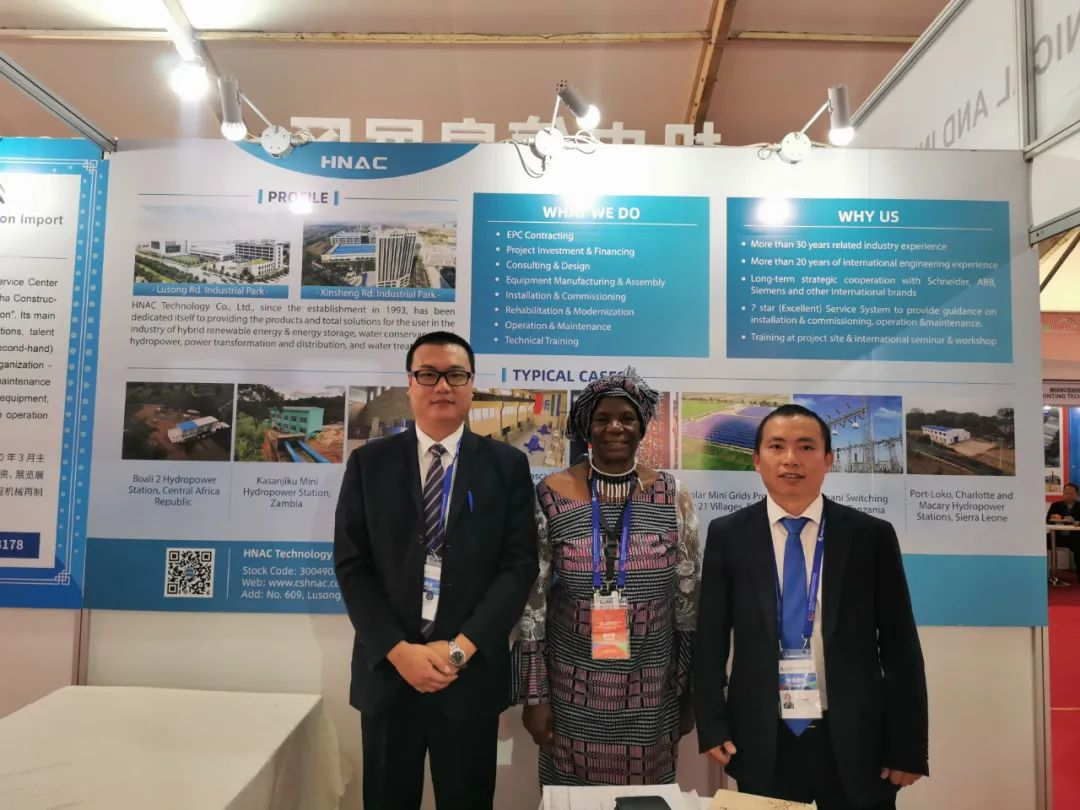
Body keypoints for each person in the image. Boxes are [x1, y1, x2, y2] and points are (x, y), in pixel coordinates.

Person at [334, 331, 538, 810]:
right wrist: (398, 651)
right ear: (410, 383)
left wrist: (459, 651)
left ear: (471, 384)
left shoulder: (507, 466)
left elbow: (518, 566)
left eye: (455, 375)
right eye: (428, 374)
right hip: (389, 676)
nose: (442, 385)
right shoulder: (369, 464)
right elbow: (352, 564)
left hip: (467, 679)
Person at [694, 404, 928, 810]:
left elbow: (900, 646)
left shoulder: (870, 536)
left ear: (828, 459)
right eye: (777, 447)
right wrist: (712, 724)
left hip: (858, 739)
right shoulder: (728, 535)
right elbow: (710, 639)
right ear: (757, 460)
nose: (791, 459)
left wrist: (908, 746)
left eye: (805, 447)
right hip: (763, 738)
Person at [514, 369, 701, 785]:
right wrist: (535, 695)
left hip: (652, 692)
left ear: (642, 427)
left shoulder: (673, 495)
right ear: (587, 427)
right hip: (571, 694)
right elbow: (533, 605)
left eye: (626, 418)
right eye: (603, 419)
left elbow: (688, 602)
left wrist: (689, 691)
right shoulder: (552, 494)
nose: (615, 427)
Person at [1047, 482, 1080, 576]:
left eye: (1071, 494)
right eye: (1066, 493)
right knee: (1040, 542)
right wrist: (1055, 519)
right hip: (1056, 535)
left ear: (1077, 494)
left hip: (1075, 536)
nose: (1068, 496)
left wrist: (1075, 521)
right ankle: (1044, 573)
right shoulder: (1055, 505)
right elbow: (1047, 520)